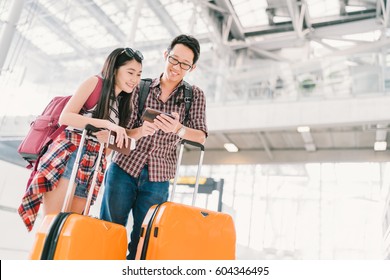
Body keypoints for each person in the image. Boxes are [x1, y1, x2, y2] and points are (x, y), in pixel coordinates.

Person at [100, 34, 208, 259]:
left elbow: (201, 137)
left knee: (145, 241)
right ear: (165, 54)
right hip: (123, 168)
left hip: (158, 178)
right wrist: (140, 131)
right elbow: (120, 132)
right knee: (109, 231)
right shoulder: (139, 87)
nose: (177, 67)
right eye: (174, 59)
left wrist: (179, 129)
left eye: (185, 64)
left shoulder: (194, 96)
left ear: (193, 67)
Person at [18, 47, 148, 231]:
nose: (135, 79)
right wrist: (107, 124)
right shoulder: (95, 82)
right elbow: (66, 117)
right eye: (130, 72)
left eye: (139, 74)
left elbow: (108, 149)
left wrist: (110, 137)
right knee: (52, 227)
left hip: (93, 165)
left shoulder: (122, 104)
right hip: (69, 156)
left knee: (71, 229)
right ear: (114, 69)